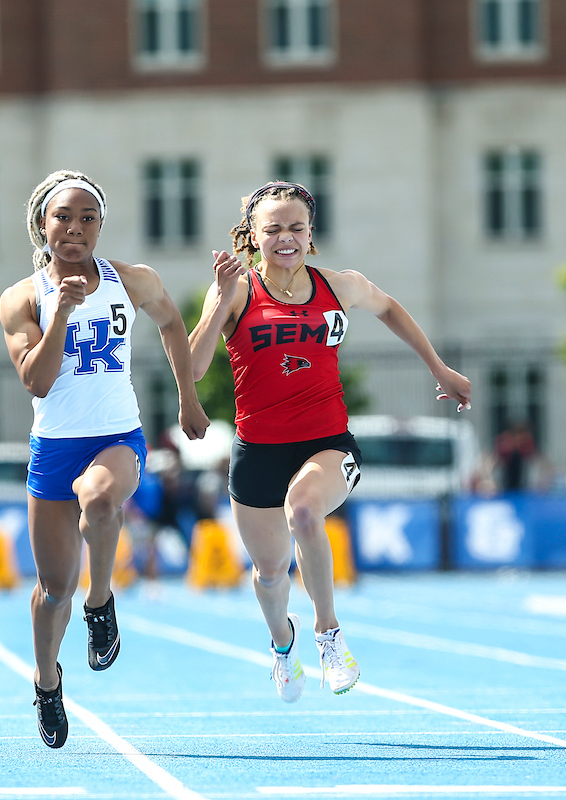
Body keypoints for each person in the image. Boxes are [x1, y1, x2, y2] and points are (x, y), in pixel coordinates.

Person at [189, 181, 471, 702]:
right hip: (257, 451)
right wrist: (217, 303)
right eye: (272, 229)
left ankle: (329, 636)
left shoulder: (338, 286)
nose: (285, 238)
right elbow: (196, 363)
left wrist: (438, 366)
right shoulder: (236, 290)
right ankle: (282, 644)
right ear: (253, 235)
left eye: (296, 227)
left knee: (303, 512)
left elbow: (389, 308)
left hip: (328, 441)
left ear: (311, 232)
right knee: (270, 574)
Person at [0, 170, 210, 748]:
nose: (75, 228)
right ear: (42, 224)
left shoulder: (134, 280)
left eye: (87, 218)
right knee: (51, 590)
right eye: (63, 217)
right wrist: (61, 314)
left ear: (100, 227)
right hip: (54, 447)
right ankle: (47, 680)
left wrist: (188, 398)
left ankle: (102, 603)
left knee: (98, 499)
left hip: (117, 435)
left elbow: (172, 324)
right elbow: (37, 383)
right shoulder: (22, 297)